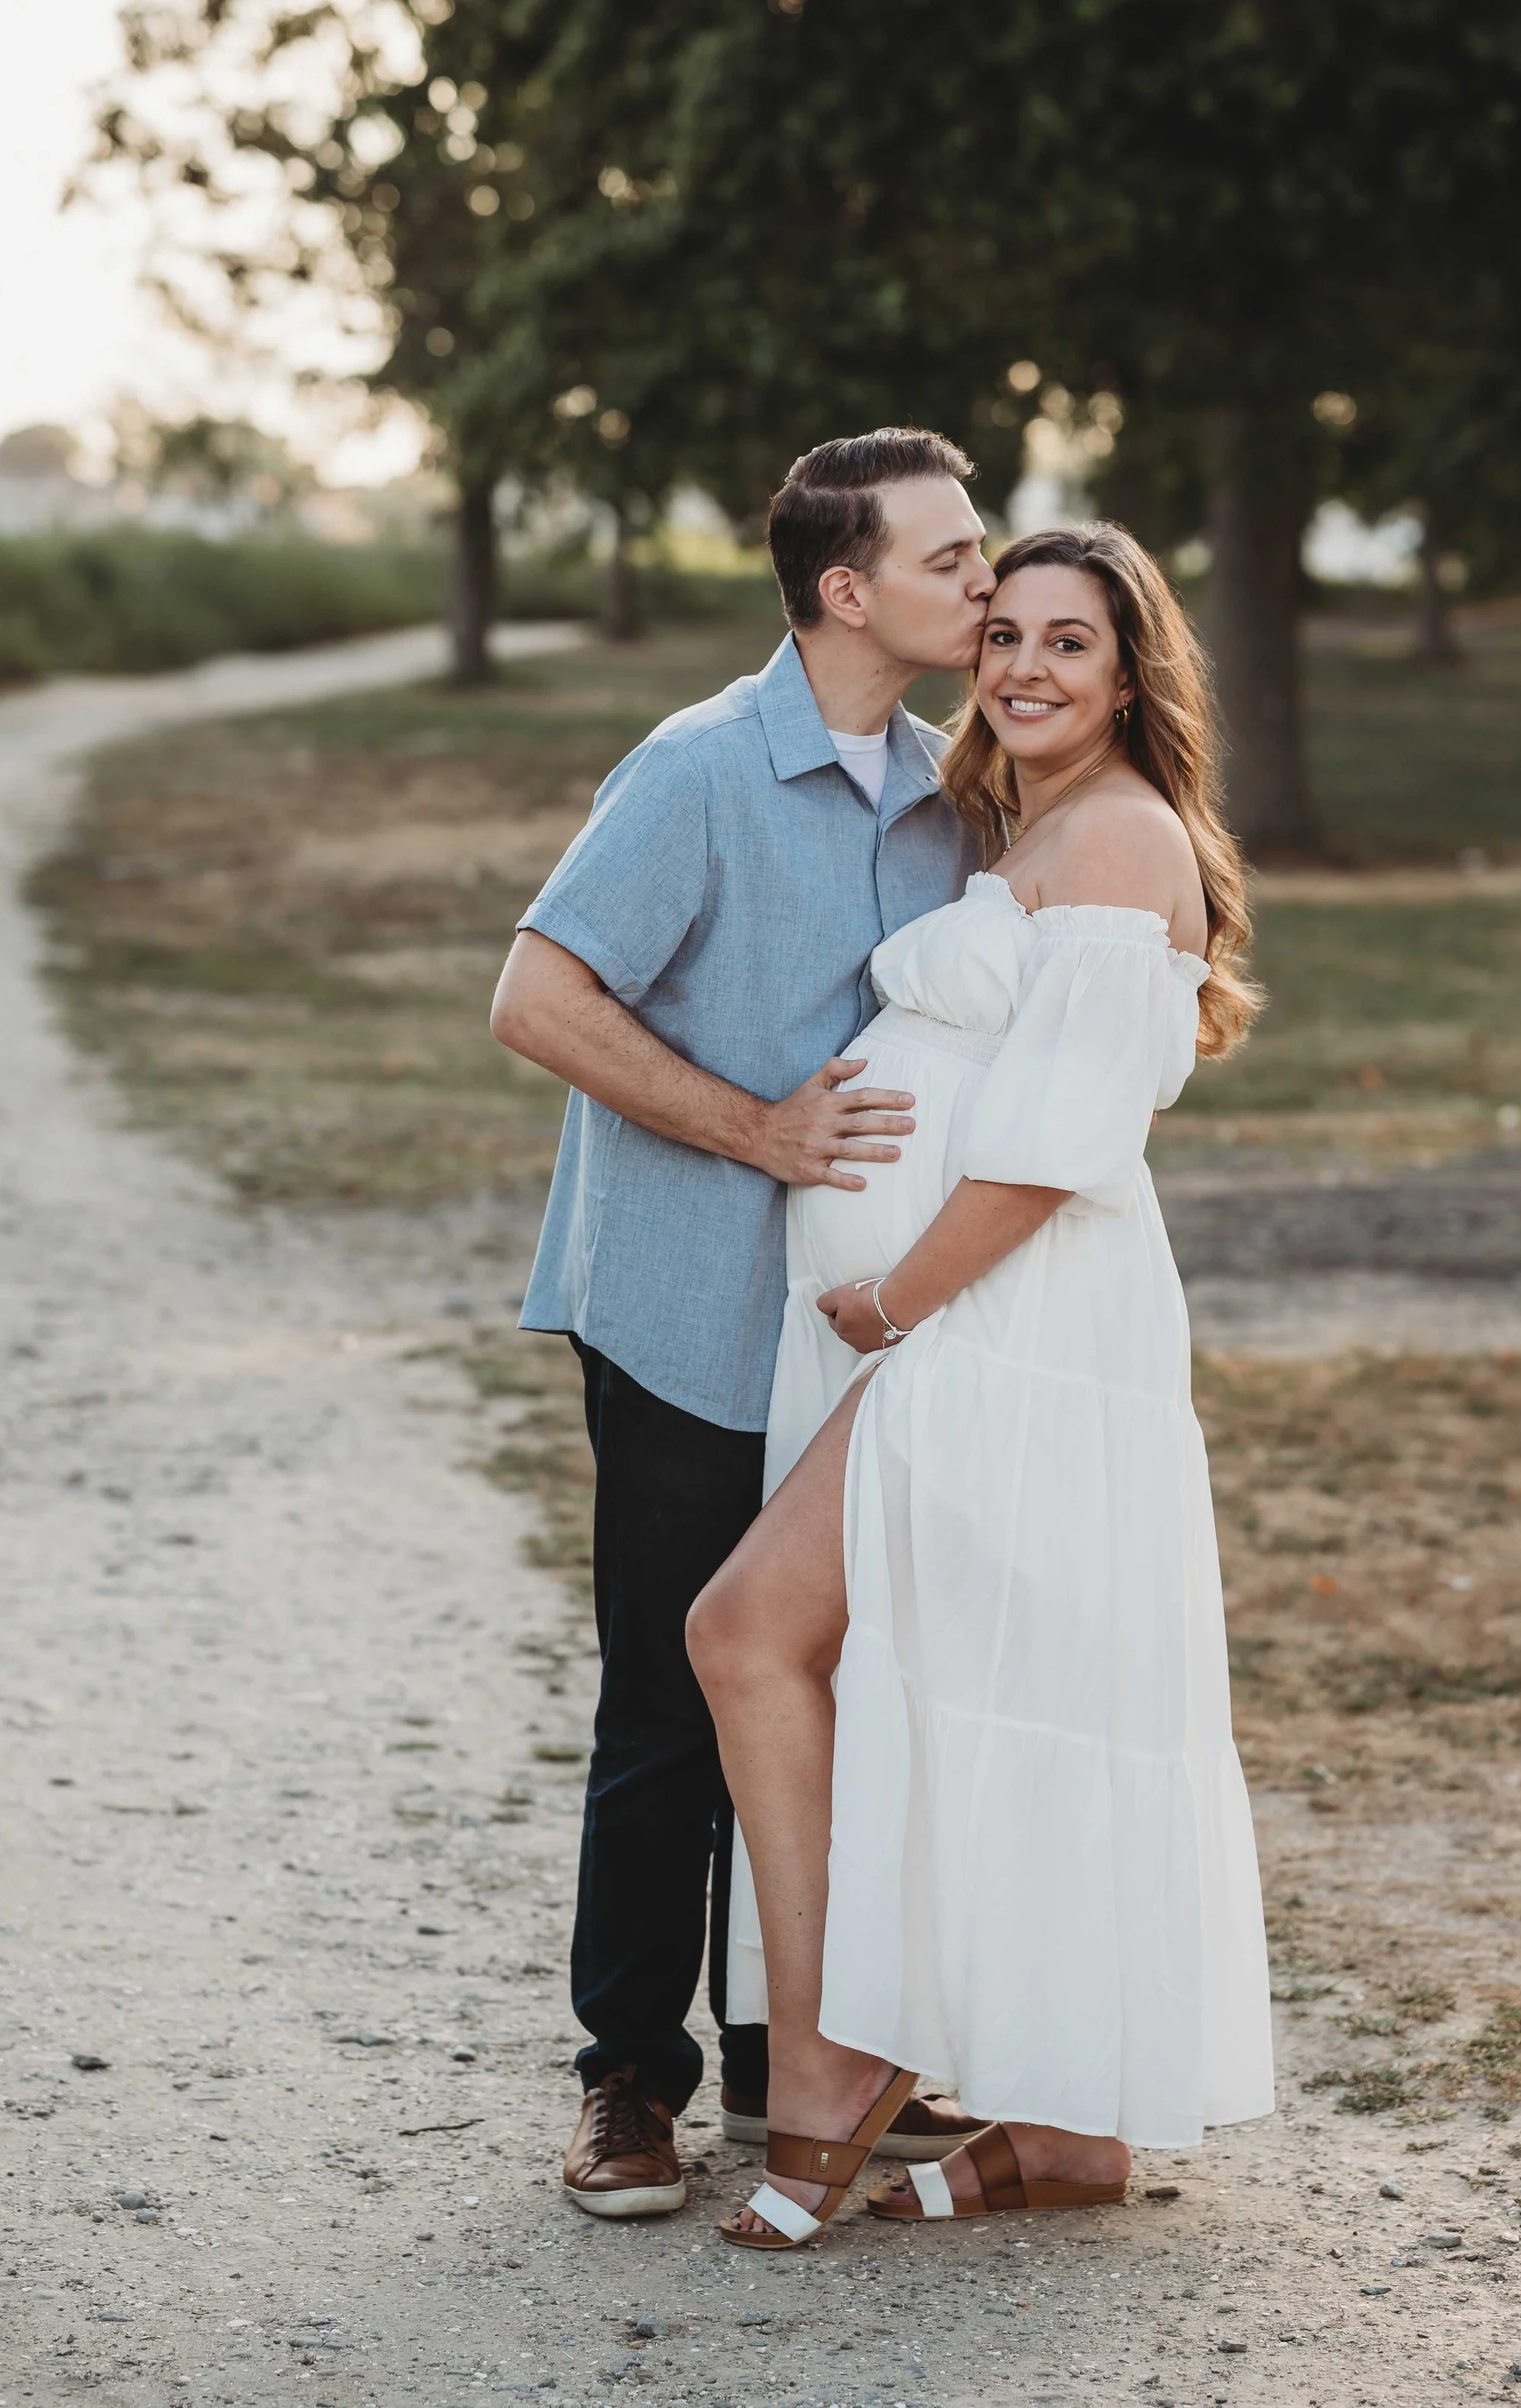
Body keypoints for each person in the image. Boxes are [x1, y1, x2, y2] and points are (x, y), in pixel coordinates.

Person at [686, 523, 1275, 2251]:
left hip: (999, 1325)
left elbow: (1047, 1152)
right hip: (966, 1322)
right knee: (964, 1678)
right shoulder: (1041, 820)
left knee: (750, 1634)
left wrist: (883, 1299)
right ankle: (1061, 2134)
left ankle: (831, 2065)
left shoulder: (1119, 838)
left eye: (1067, 644)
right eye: (1001, 632)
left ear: (1128, 672)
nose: (1020, 666)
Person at [489, 428, 1000, 2218]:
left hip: (863, 1336)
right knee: (667, 1696)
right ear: (843, 590)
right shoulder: (699, 770)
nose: (985, 583)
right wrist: (757, 1128)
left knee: (833, 1680)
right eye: (950, 559)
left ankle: (810, 2059)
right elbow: (534, 996)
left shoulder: (951, 787)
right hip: (690, 1310)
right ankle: (629, 2081)